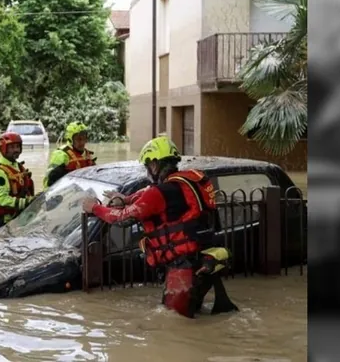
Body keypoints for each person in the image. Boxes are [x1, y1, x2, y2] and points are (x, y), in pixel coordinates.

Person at [81, 135, 238, 318]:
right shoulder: (186, 183)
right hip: (204, 259)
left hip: (182, 267)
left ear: (154, 165)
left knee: (174, 322)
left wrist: (95, 208)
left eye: (147, 166)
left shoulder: (160, 192)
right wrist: (125, 198)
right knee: (192, 314)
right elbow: (147, 195)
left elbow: (122, 218)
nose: (147, 171)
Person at [43, 122, 97, 189]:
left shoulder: (87, 155)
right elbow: (47, 183)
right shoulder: (61, 154)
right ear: (70, 139)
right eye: (79, 139)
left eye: (84, 138)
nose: (83, 142)